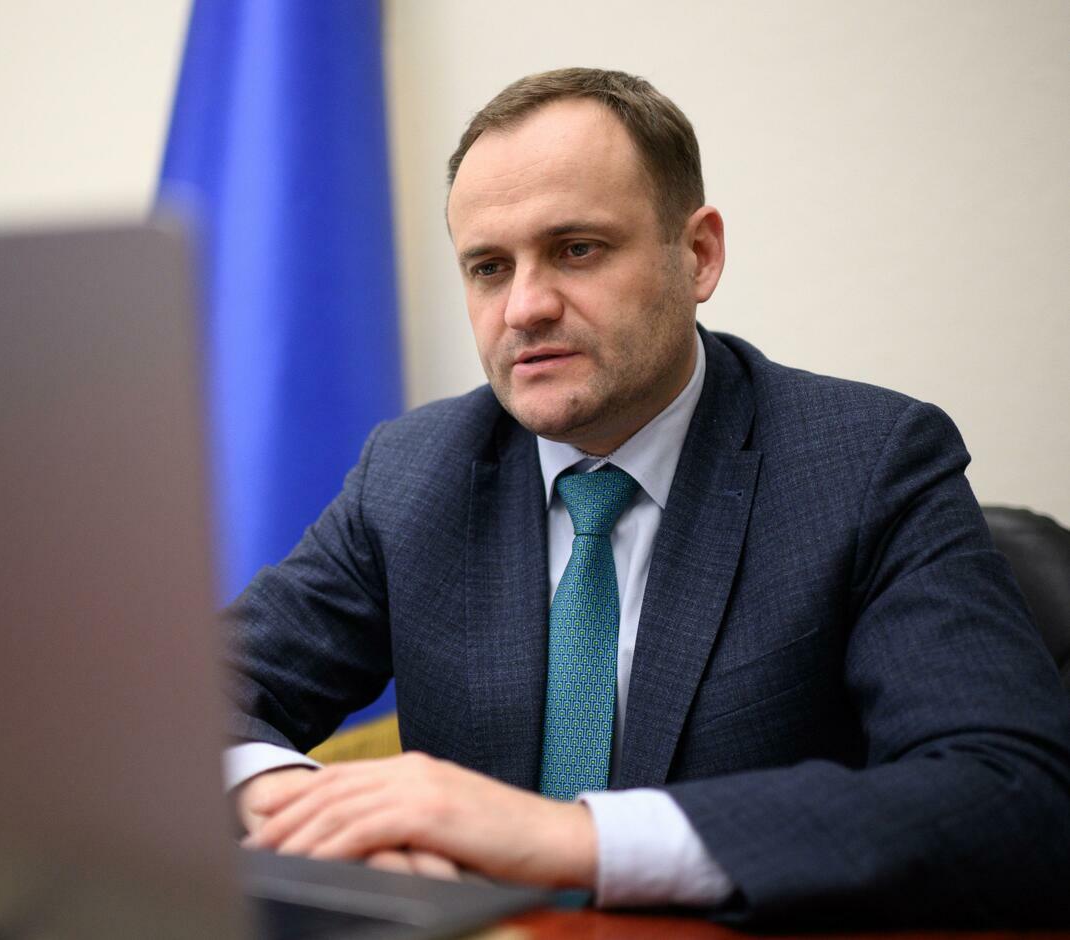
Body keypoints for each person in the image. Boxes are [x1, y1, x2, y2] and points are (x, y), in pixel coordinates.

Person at [222, 67, 1070, 928]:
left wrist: (575, 839)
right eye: (489, 267)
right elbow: (195, 697)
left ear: (698, 254)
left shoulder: (867, 465)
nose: (524, 308)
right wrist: (298, 803)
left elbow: (1014, 795)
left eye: (577, 249)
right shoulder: (413, 472)